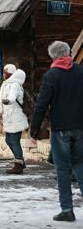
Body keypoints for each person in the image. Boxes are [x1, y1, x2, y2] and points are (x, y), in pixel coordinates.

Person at [30, 41, 83, 222]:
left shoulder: (51, 76)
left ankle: (67, 210)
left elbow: (42, 104)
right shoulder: (81, 72)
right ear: (68, 53)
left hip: (60, 128)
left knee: (62, 169)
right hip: (81, 127)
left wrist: (34, 130)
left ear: (53, 57)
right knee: (81, 165)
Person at [0, 64, 28, 174]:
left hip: (16, 117)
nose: (3, 74)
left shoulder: (15, 85)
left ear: (10, 73)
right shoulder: (7, 83)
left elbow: (12, 96)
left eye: (5, 72)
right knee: (8, 140)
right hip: (9, 117)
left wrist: (8, 101)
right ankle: (20, 160)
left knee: (14, 141)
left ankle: (18, 165)